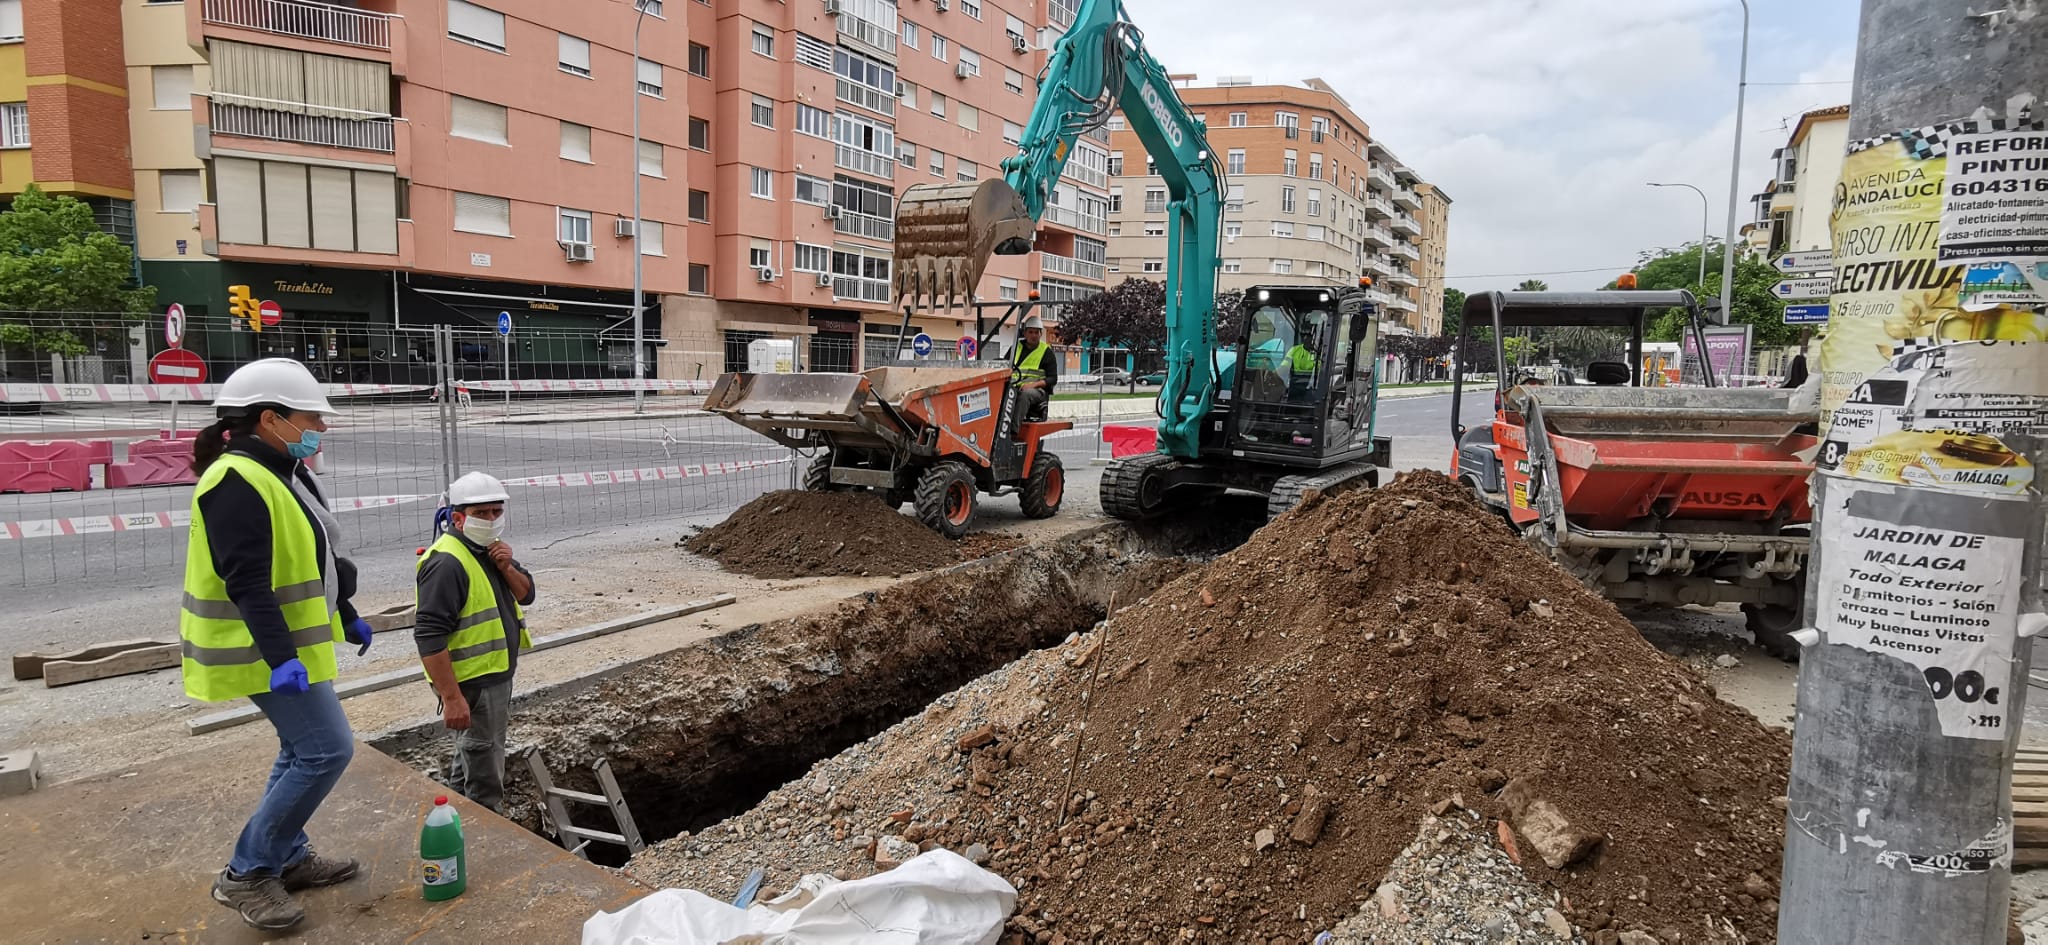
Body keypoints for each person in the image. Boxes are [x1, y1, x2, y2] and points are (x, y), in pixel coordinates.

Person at [182, 358, 374, 931]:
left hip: (291, 646)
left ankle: (285, 855)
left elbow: (311, 556)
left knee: (300, 750)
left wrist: (345, 611)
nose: (321, 427)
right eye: (312, 417)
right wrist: (282, 658)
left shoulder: (281, 467)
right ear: (271, 418)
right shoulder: (235, 480)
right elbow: (246, 579)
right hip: (258, 649)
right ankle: (247, 872)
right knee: (326, 750)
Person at [415, 471, 536, 813]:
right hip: (471, 683)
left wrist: (506, 566)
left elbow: (526, 595)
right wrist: (452, 698)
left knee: (470, 757)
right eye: (481, 514)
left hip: (493, 675)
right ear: (457, 518)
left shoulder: (489, 550)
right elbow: (428, 634)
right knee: (484, 772)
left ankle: (456, 818)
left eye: (496, 512)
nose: (491, 520)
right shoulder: (447, 563)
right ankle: (485, 840)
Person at [1010, 315, 1059, 426]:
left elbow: (1053, 378)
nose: (1033, 335)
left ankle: (1013, 430)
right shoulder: (1015, 348)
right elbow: (1005, 365)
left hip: (1038, 391)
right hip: (1015, 387)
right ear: (1025, 333)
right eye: (1031, 332)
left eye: (1036, 332)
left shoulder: (1046, 351)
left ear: (1041, 334)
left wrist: (1033, 385)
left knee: (1025, 395)